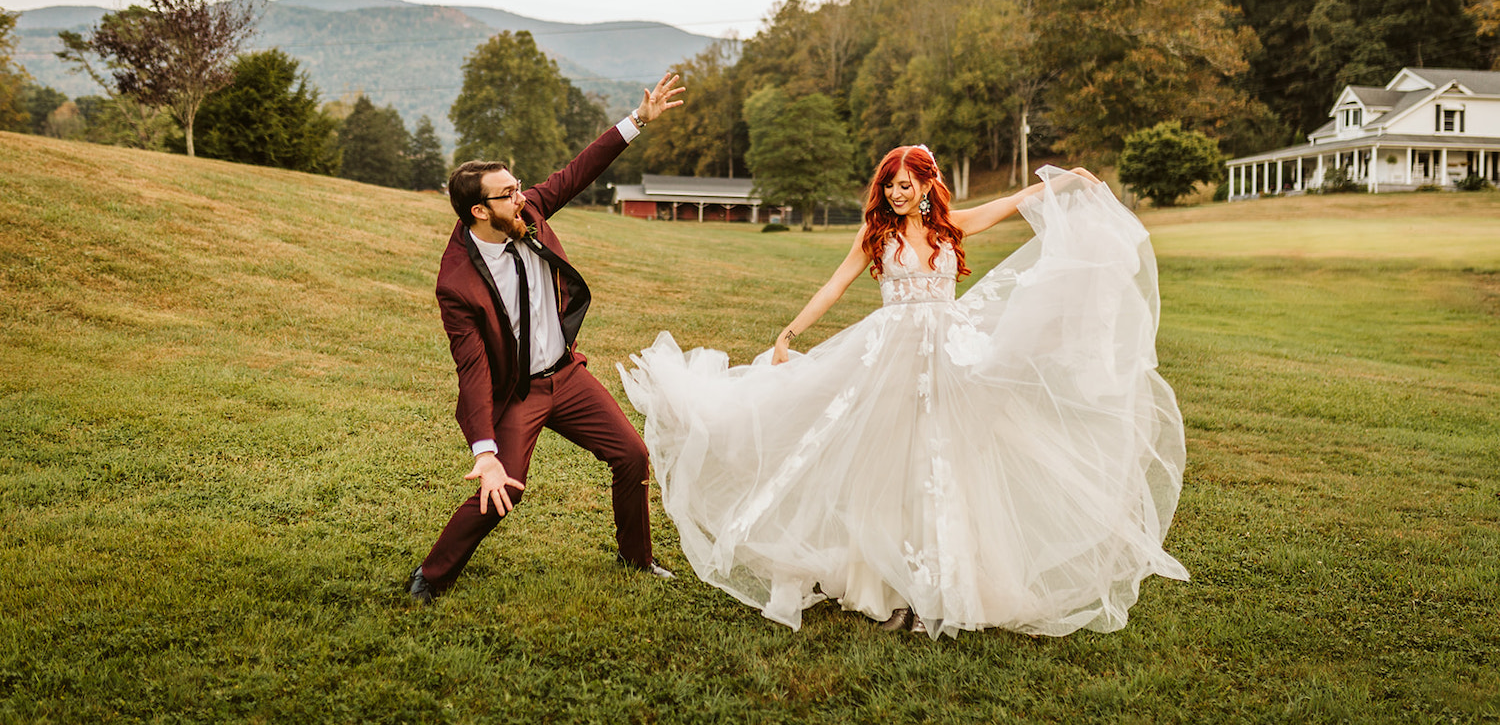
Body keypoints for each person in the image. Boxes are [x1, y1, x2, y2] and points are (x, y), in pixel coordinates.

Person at [619, 144, 1188, 638]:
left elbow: (1013, 203)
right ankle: (890, 595)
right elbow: (835, 285)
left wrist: (1066, 181)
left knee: (946, 470)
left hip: (952, 362)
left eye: (906, 185)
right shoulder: (876, 236)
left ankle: (937, 594)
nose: (896, 193)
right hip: (889, 362)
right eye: (890, 185)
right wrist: (790, 332)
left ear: (925, 187)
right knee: (890, 471)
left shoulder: (949, 227)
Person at [407, 73, 685, 603]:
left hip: (567, 374)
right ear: (478, 213)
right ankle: (432, 575)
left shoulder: (527, 210)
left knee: (631, 455)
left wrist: (638, 121)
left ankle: (637, 559)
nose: (522, 197)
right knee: (503, 486)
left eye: (518, 186)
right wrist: (484, 451)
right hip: (521, 390)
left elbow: (579, 170)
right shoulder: (457, 283)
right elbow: (472, 371)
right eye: (508, 194)